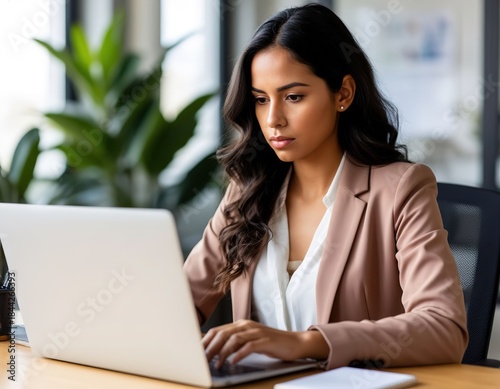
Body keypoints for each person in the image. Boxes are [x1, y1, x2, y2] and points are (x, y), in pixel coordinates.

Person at [183, 3, 468, 371]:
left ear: (343, 94)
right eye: (260, 100)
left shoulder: (401, 189)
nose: (273, 120)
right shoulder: (247, 191)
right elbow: (183, 303)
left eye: (294, 97)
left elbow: (444, 328)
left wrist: (304, 343)